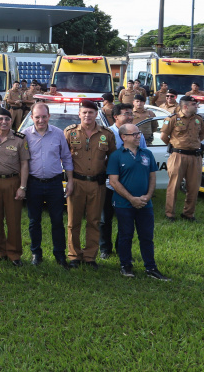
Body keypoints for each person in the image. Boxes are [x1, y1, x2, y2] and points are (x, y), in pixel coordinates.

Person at [108, 124, 170, 281]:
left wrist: (148, 196)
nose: (138, 136)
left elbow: (152, 177)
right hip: (123, 204)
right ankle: (126, 266)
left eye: (139, 133)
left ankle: (151, 268)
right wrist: (132, 199)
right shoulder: (116, 156)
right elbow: (114, 182)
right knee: (125, 235)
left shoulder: (147, 153)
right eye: (134, 134)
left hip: (145, 204)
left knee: (146, 236)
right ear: (124, 137)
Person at [64, 101, 116, 269]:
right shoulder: (70, 133)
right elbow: (64, 157)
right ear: (79, 114)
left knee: (94, 221)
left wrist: (105, 174)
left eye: (91, 112)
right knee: (74, 221)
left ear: (96, 114)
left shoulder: (106, 134)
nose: (87, 115)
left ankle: (90, 256)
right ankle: (74, 255)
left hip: (97, 184)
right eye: (84, 112)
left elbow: (113, 158)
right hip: (76, 183)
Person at [23, 102, 73, 268]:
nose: (41, 120)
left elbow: (66, 158)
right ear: (32, 118)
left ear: (49, 116)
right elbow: (20, 161)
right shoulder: (24, 135)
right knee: (34, 221)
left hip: (54, 184)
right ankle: (36, 253)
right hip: (33, 184)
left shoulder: (58, 134)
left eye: (44, 116)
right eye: (37, 117)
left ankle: (59, 255)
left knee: (57, 221)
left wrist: (70, 180)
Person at [0, 108, 30, 267]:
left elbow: (24, 163)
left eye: (7, 119)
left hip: (12, 182)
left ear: (11, 121)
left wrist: (22, 187)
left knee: (13, 219)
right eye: (0, 119)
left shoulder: (19, 139)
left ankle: (14, 254)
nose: (4, 122)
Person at [100, 103, 147, 259]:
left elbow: (144, 156)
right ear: (116, 117)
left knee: (125, 220)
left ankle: (122, 249)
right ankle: (105, 248)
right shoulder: (107, 134)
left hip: (129, 186)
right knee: (105, 219)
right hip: (109, 185)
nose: (130, 117)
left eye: (131, 114)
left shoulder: (138, 135)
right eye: (126, 114)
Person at [161, 96, 204, 222]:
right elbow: (164, 137)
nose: (196, 106)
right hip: (178, 156)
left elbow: (202, 135)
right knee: (174, 186)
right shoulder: (172, 119)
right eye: (194, 104)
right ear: (185, 106)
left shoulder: (198, 120)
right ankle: (170, 213)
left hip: (195, 157)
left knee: (193, 186)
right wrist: (177, 145)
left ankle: (188, 214)